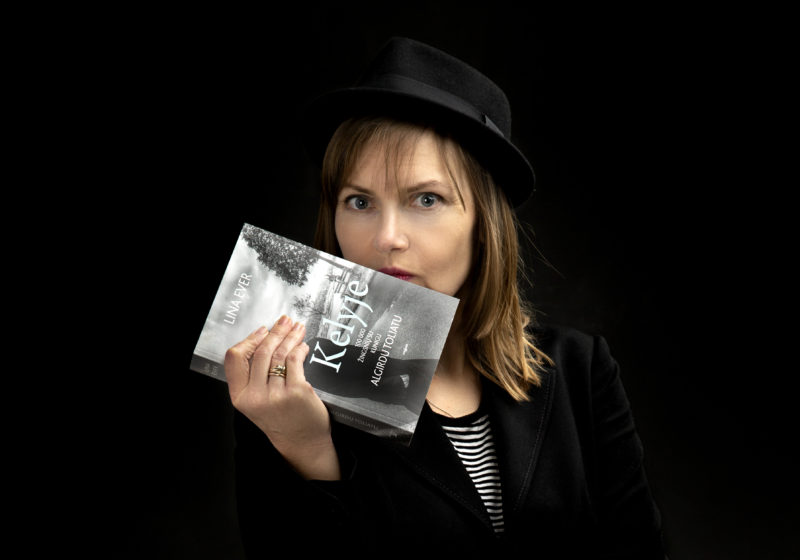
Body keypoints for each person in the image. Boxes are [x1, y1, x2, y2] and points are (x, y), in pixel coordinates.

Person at [224, 37, 667, 558]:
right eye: (359, 201)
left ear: (484, 223)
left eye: (426, 199)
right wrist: (307, 449)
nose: (387, 237)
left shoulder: (580, 370)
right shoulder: (283, 392)